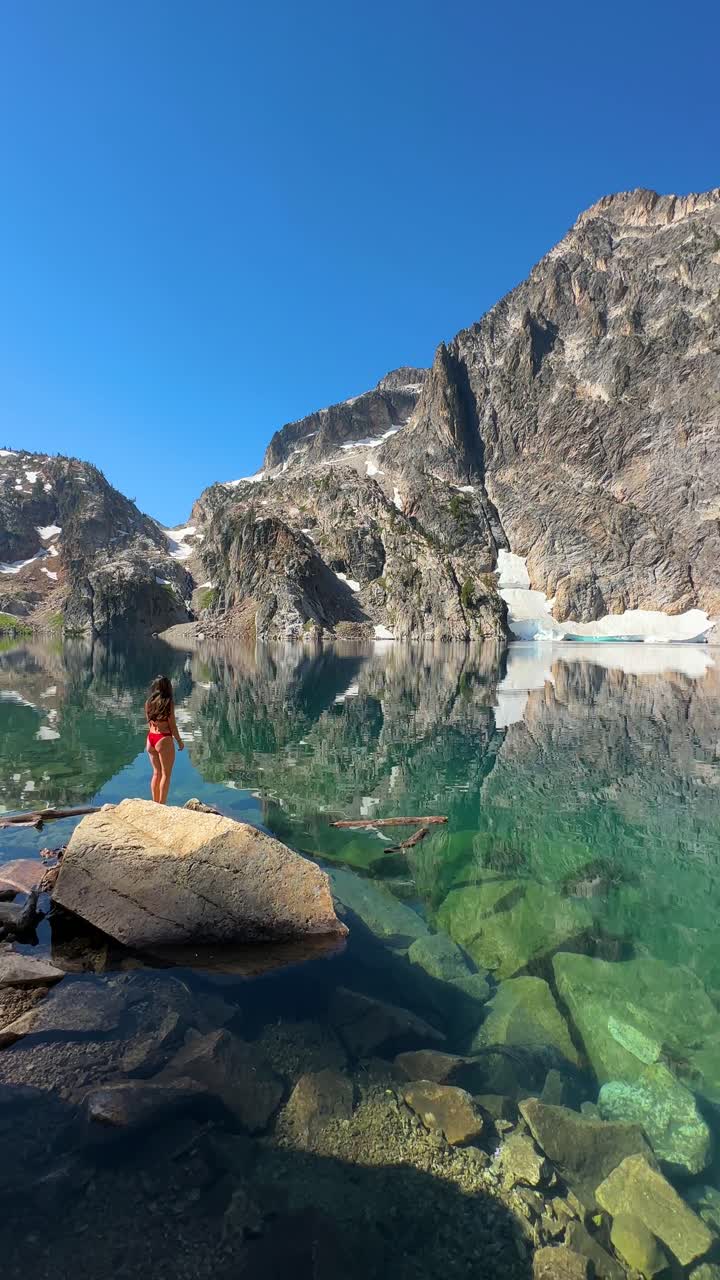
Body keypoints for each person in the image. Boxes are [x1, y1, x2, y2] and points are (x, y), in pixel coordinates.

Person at [145, 675, 184, 804]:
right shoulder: (168, 703)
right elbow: (172, 725)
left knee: (156, 773)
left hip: (151, 739)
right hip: (163, 738)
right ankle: (162, 804)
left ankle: (155, 802)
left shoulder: (149, 702)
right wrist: (179, 740)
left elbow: (148, 721)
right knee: (166, 775)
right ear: (168, 687)